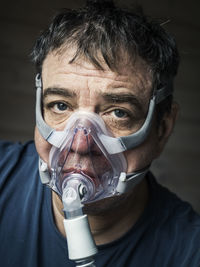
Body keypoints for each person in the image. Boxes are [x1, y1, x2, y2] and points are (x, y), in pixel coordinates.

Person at [0, 0, 200, 266]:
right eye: (61, 106)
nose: (81, 144)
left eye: (118, 112)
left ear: (162, 130)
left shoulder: (189, 252)